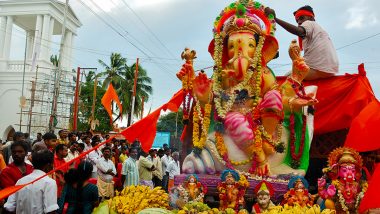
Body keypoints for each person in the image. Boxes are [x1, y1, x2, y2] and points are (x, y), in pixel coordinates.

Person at [265, 5, 338, 80]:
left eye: (302, 18)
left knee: (284, 79)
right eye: (297, 21)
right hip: (330, 71)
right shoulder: (319, 30)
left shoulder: (309, 23)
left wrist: (275, 19)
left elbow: (299, 31)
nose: (299, 22)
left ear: (311, 18)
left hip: (316, 68)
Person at [4, 149, 59, 214]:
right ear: (48, 165)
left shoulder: (21, 181)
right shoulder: (49, 182)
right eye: (52, 164)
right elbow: (51, 210)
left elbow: (9, 207)